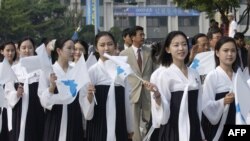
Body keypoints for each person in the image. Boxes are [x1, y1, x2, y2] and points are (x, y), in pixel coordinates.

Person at [148, 31, 203, 141]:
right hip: (173, 128)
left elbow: (199, 104)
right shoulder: (164, 74)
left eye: (184, 44)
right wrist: (158, 96)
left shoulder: (194, 73)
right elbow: (162, 110)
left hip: (194, 126)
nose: (181, 48)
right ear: (168, 49)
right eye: (176, 45)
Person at [82, 31, 133, 141]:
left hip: (119, 122)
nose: (106, 48)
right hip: (98, 124)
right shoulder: (92, 71)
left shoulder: (121, 70)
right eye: (102, 45)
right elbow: (85, 107)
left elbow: (127, 101)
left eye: (110, 44)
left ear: (115, 46)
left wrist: (129, 127)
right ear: (96, 48)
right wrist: (90, 95)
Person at [38, 38, 85, 141]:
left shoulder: (77, 71)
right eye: (69, 48)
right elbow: (43, 101)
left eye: (74, 48)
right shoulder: (48, 71)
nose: (73, 52)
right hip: (54, 118)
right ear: (59, 51)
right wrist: (51, 87)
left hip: (74, 118)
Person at [4, 37, 45, 141]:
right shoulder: (13, 70)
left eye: (30, 47)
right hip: (19, 113)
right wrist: (16, 94)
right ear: (18, 50)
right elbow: (8, 93)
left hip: (37, 111)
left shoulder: (42, 69)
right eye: (24, 48)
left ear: (34, 49)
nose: (27, 51)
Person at [120, 25, 155, 141]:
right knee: (134, 123)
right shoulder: (123, 54)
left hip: (148, 92)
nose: (143, 37)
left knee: (149, 119)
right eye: (140, 34)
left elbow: (155, 70)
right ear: (132, 37)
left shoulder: (149, 52)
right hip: (133, 92)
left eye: (143, 34)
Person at [202, 37, 238, 141]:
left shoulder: (239, 76)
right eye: (225, 50)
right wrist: (223, 102)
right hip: (218, 128)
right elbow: (205, 105)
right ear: (217, 53)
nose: (230, 54)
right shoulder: (213, 76)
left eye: (233, 51)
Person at [0, 41, 17, 141]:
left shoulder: (19, 68)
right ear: (2, 51)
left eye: (12, 50)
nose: (10, 53)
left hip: (14, 107)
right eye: (7, 50)